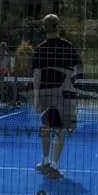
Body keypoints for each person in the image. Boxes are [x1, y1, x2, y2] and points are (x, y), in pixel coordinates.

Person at [32, 12, 81, 179]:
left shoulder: (41, 49)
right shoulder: (68, 46)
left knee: (46, 129)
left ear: (44, 28)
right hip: (64, 96)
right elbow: (78, 70)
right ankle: (54, 165)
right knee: (60, 131)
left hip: (46, 95)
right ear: (58, 26)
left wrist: (37, 98)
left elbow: (37, 76)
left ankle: (46, 161)